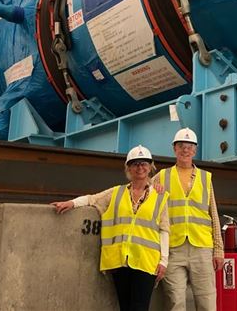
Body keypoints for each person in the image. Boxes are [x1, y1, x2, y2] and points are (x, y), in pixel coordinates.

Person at [51, 145, 169, 311]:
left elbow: (164, 230)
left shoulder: (160, 197)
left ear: (150, 167)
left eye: (144, 164)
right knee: (125, 307)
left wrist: (164, 261)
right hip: (120, 260)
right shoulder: (116, 193)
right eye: (135, 164)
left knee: (139, 307)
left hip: (146, 261)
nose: (140, 167)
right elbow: (92, 199)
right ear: (129, 168)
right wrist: (71, 203)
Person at [155, 127, 225, 311]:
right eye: (181, 146)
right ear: (174, 149)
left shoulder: (205, 177)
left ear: (195, 150)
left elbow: (214, 215)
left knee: (207, 303)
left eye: (189, 146)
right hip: (173, 249)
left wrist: (218, 250)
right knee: (175, 303)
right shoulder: (162, 176)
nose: (185, 149)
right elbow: (138, 190)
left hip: (201, 248)